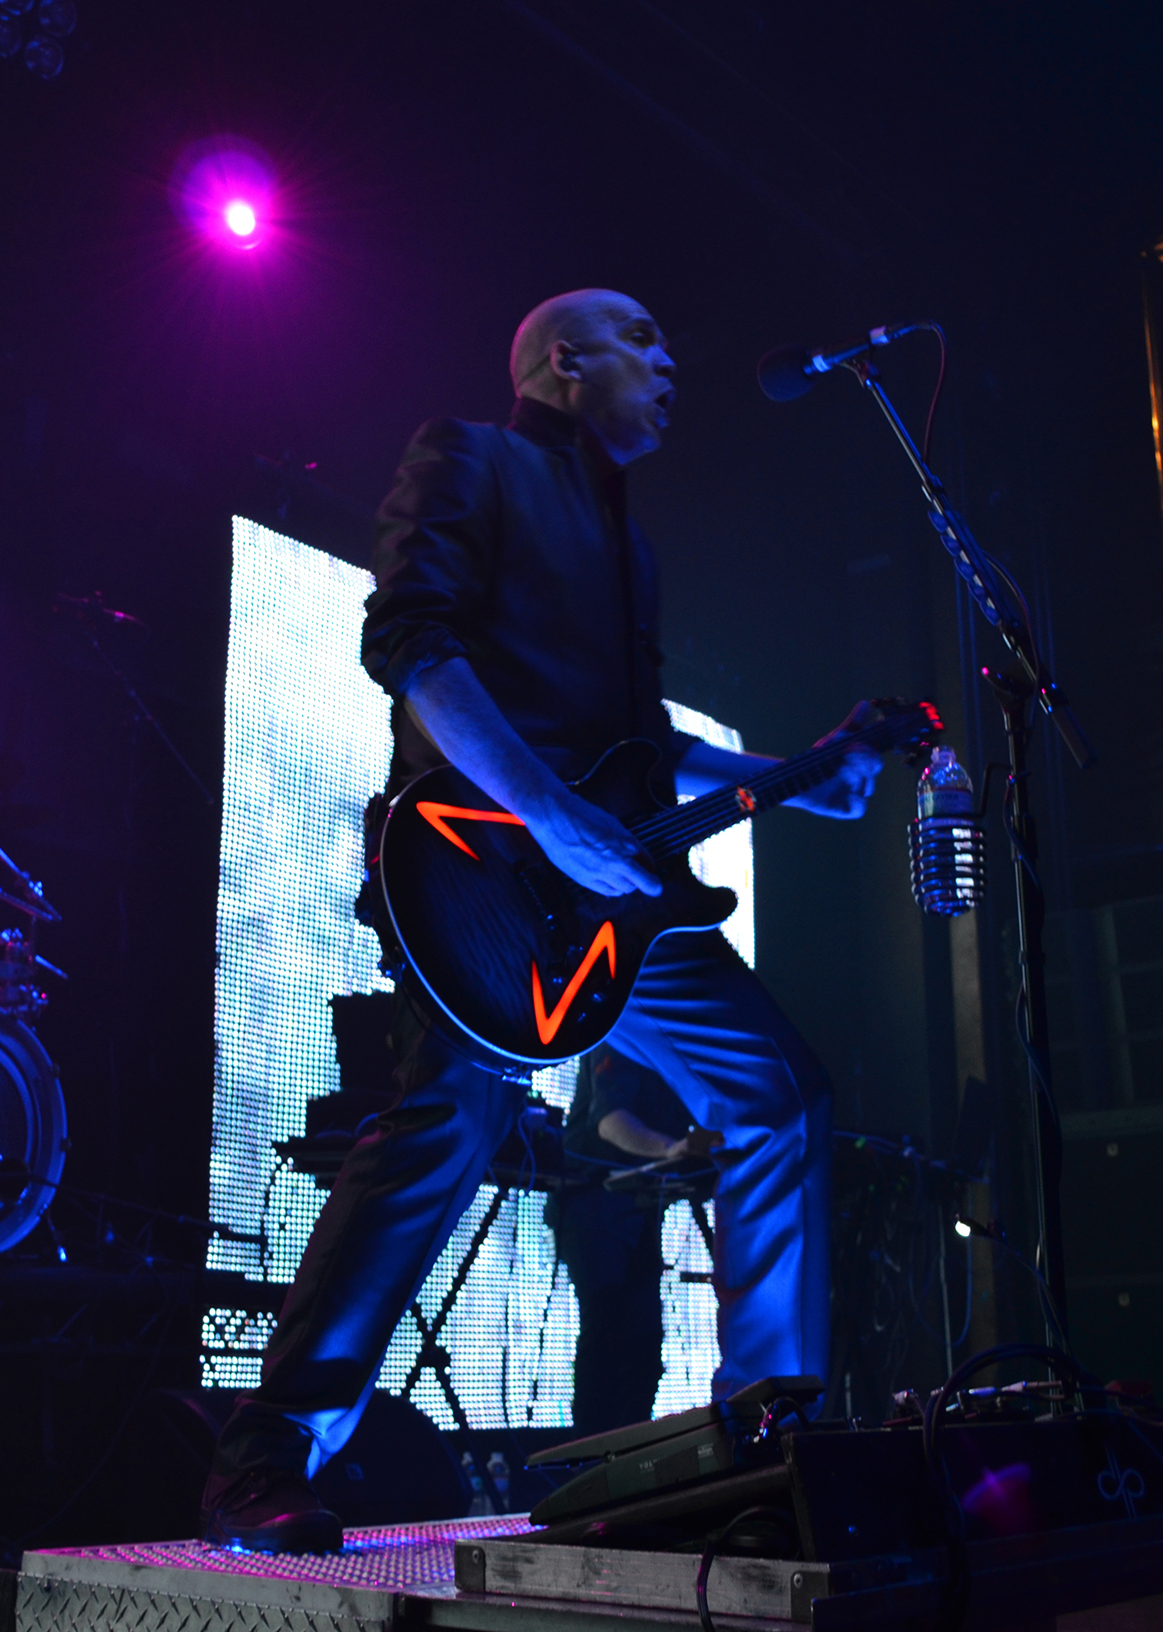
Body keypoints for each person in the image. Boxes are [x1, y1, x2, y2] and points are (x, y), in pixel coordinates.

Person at [200, 289, 880, 1552]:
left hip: (618, 900)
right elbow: (410, 644)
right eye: (646, 339)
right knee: (444, 1125)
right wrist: (549, 816)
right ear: (567, 360)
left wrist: (796, 773)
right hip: (481, 871)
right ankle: (268, 1455)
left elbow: (640, 745)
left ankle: (766, 1430)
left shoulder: (631, 541)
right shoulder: (468, 455)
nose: (670, 362)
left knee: (779, 1093)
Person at [552, 1046, 722, 1435]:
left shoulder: (675, 1049)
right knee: (607, 1330)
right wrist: (669, 1148)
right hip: (592, 1200)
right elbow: (611, 1122)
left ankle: (633, 1452)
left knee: (644, 1344)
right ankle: (593, 1455)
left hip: (640, 1206)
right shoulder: (620, 1036)